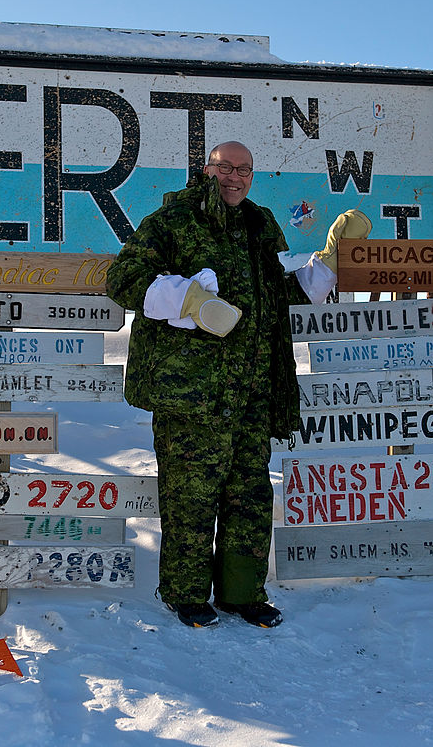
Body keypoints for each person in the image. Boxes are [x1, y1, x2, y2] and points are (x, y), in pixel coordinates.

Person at [106, 141, 370, 628]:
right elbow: (123, 278)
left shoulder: (258, 223)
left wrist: (328, 261)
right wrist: (185, 300)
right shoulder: (174, 220)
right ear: (207, 169)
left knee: (249, 496)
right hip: (193, 394)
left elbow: (273, 294)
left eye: (244, 170)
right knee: (191, 496)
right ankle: (185, 595)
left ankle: (242, 594)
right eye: (225, 167)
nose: (235, 177)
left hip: (252, 390)